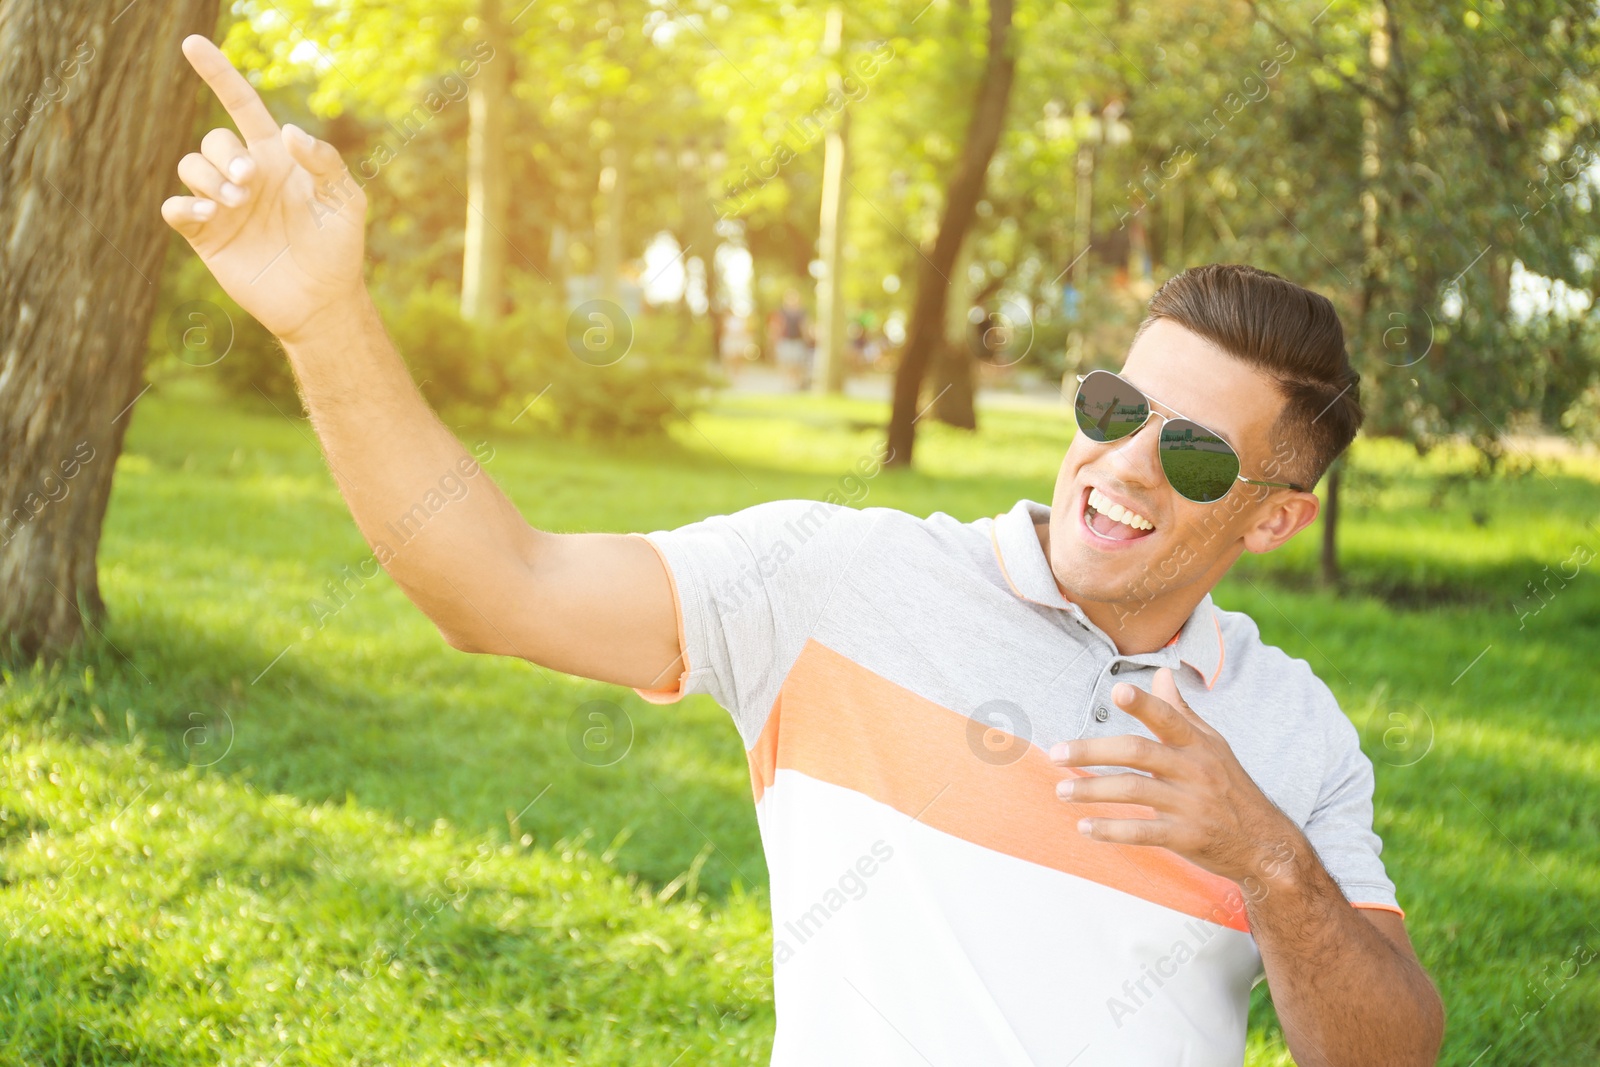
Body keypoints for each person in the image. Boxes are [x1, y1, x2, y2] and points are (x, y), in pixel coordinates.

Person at [161, 37, 1444, 1067]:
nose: (1121, 463)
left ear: (1272, 515)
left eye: (1197, 455)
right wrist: (326, 317)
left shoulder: (1293, 732)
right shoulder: (835, 579)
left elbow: (1387, 1054)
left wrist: (1270, 858)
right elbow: (501, 588)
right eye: (1115, 409)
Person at [769, 288, 812, 391]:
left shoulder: (802, 312)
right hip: (785, 341)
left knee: (797, 364)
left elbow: (805, 326)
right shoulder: (782, 312)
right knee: (786, 363)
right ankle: (786, 384)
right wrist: (774, 340)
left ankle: (795, 385)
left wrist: (807, 338)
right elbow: (776, 326)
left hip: (798, 341)